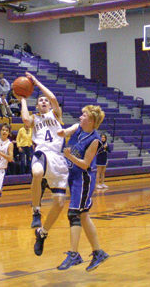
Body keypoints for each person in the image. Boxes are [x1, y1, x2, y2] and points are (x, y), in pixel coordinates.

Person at [38, 105, 109, 272]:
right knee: (83, 216)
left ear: (91, 121)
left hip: (83, 179)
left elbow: (85, 164)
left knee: (74, 214)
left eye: (84, 115)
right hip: (72, 176)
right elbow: (65, 131)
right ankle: (98, 252)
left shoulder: (94, 140)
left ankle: (74, 254)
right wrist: (57, 130)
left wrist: (69, 156)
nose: (81, 116)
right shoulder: (78, 128)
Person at [15, 71, 68, 228]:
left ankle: (44, 228)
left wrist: (36, 83)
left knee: (59, 201)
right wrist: (23, 99)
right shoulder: (34, 118)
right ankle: (36, 211)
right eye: (40, 101)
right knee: (37, 173)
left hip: (57, 156)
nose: (44, 101)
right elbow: (25, 120)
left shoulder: (56, 114)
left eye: (45, 100)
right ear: (37, 106)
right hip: (42, 152)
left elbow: (53, 98)